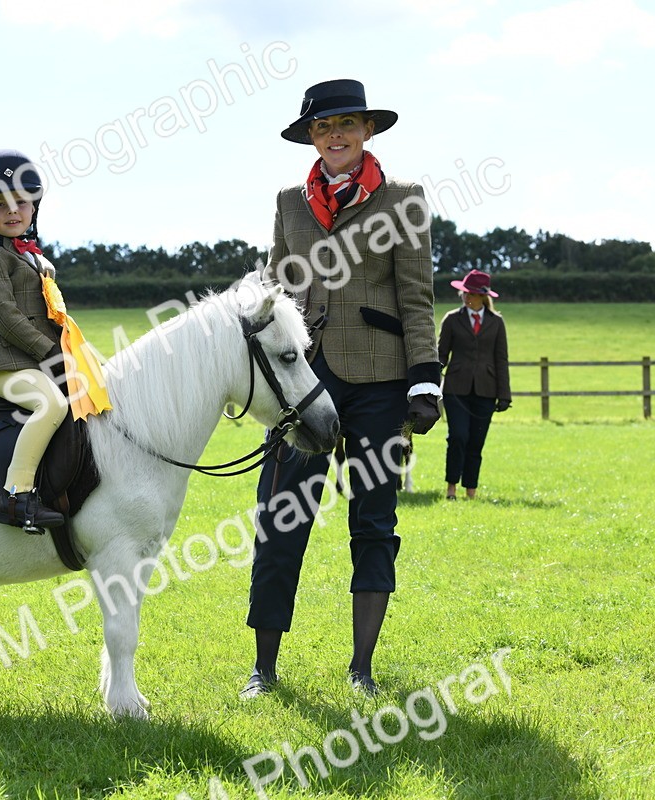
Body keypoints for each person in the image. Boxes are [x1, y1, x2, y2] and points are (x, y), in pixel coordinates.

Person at [244, 79, 442, 697]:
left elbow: (416, 296)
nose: (336, 135)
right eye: (324, 126)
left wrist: (425, 380)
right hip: (303, 381)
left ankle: (361, 669)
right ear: (310, 135)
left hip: (380, 385)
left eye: (348, 124)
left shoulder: (404, 199)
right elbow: (277, 289)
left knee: (374, 523)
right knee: (281, 519)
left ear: (368, 131)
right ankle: (264, 669)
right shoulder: (288, 202)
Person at [0, 149, 110, 533]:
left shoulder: (35, 259)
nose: (13, 211)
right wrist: (51, 353)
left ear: (34, 207)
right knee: (51, 405)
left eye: (21, 203)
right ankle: (16, 495)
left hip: (39, 361)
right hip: (5, 364)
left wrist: (85, 356)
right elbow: (6, 318)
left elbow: (57, 317)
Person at [438, 269, 511, 500]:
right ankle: (451, 488)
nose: (466, 297)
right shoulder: (451, 319)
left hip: (486, 391)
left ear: (483, 296)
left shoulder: (496, 323)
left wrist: (504, 394)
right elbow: (441, 356)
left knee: (476, 442)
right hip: (455, 389)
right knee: (458, 436)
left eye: (471, 293)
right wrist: (428, 382)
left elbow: (501, 359)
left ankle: (471, 491)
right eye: (464, 293)